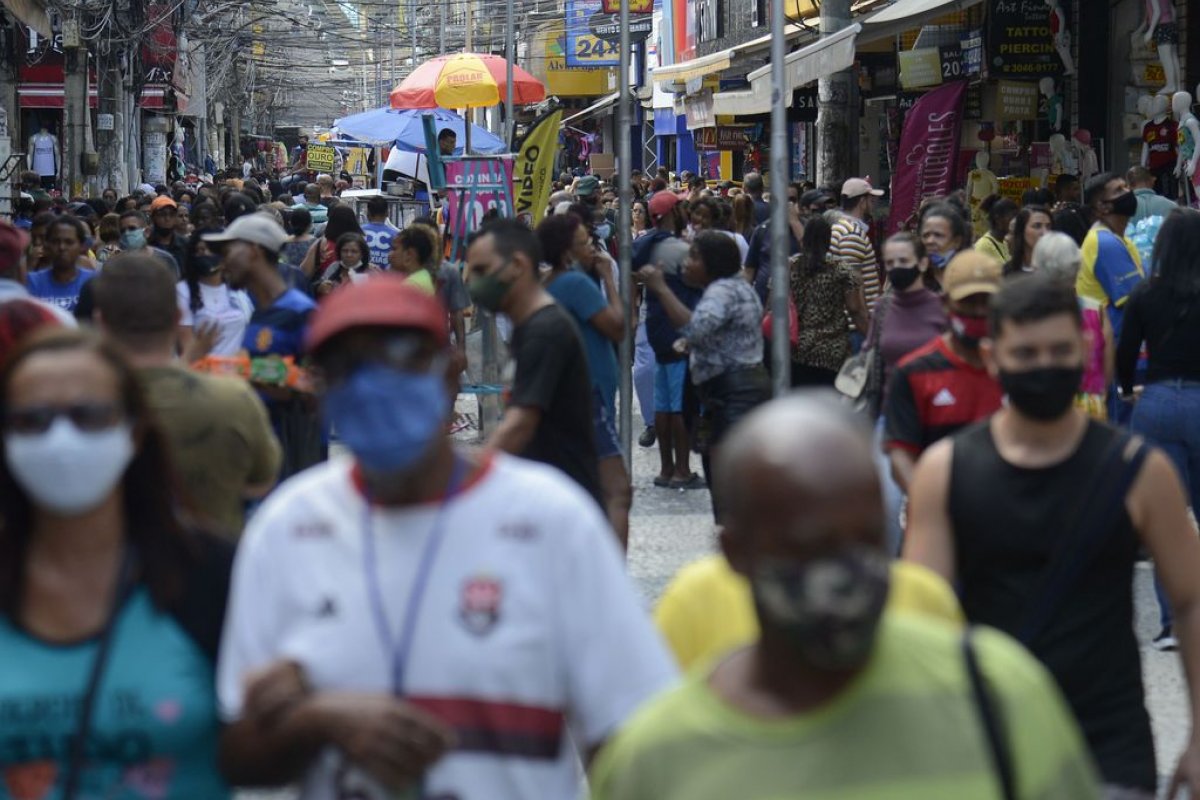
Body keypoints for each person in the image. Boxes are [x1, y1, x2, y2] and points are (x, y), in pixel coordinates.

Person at [217, 275, 676, 797]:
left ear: (450, 369)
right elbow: (238, 752)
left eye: (402, 355)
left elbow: (632, 735)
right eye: (348, 366)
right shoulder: (287, 530)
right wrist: (314, 720)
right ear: (321, 390)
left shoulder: (550, 522)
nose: (376, 382)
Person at [593, 393, 1101, 800]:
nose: (843, 570)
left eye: (867, 540)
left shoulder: (1002, 699)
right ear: (735, 553)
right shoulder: (654, 761)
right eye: (809, 545)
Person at [906, 273, 1200, 798]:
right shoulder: (946, 471)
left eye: (1059, 350)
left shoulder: (1139, 470)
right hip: (984, 740)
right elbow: (922, 620)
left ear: (1086, 351)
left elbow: (1192, 600)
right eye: (1027, 353)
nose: (1044, 365)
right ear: (994, 358)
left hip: (1105, 741)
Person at [0, 328, 235, 798]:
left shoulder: (210, 571)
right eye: (33, 420)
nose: (61, 440)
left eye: (90, 416)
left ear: (135, 430)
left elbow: (259, 748)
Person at [94, 252, 280, 534]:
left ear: (100, 321)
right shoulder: (234, 400)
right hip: (211, 567)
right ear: (177, 316)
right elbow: (261, 483)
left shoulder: (78, 406)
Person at [468, 219, 604, 506]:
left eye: (481, 270)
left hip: (562, 504)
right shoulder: (530, 326)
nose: (473, 281)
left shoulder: (545, 332)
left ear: (517, 265)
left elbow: (520, 423)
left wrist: (464, 482)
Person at [637, 231, 769, 521]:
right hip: (729, 391)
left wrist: (662, 289)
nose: (686, 263)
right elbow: (712, 335)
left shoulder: (724, 291)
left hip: (733, 393)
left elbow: (696, 327)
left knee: (727, 486)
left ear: (713, 263)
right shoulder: (730, 288)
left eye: (694, 257)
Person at [1118, 208, 1200, 650]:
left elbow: (1125, 356)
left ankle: (1173, 624)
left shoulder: (1146, 296)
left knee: (1168, 517)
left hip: (1159, 400)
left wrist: (1127, 391)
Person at [204, 213, 322, 479]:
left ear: (254, 251)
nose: (222, 261)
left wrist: (244, 370)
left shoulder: (300, 312)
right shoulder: (258, 313)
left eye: (228, 251)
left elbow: (318, 383)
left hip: (291, 466)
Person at [538, 213, 631, 547]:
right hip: (589, 393)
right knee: (616, 489)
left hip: (577, 390)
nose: (592, 247)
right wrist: (609, 278)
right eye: (583, 243)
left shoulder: (550, 283)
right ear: (566, 251)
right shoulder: (576, 284)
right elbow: (618, 327)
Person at [884, 252, 1005, 494]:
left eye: (987, 301)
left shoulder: (1016, 368)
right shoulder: (913, 372)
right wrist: (930, 503)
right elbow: (901, 456)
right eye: (969, 302)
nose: (979, 311)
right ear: (946, 303)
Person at [634, 191, 703, 490]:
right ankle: (682, 470)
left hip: (655, 327)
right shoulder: (678, 250)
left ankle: (665, 468)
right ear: (673, 213)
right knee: (680, 406)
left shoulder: (644, 245)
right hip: (678, 330)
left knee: (662, 405)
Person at [1034, 231, 1110, 421]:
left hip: (1041, 405)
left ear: (1037, 267)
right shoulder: (1097, 311)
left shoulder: (1027, 313)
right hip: (1090, 406)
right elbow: (1107, 370)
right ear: (1076, 268)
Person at [787, 215, 869, 387]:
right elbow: (854, 308)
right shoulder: (841, 269)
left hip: (797, 350)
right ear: (829, 239)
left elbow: (774, 305)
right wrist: (871, 336)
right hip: (833, 350)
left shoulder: (790, 266)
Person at [1078, 172, 1145, 338]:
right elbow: (1137, 299)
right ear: (1102, 206)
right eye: (1119, 190)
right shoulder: (1104, 242)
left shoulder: (1122, 240)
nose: (1128, 192)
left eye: (1126, 187)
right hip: (1110, 345)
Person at [176, 228, 254, 359]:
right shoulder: (182, 291)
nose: (206, 254)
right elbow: (185, 346)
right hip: (203, 373)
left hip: (237, 372)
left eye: (212, 250)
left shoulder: (237, 288)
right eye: (200, 250)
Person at [831, 178, 885, 312]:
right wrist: (865, 324)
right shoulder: (851, 234)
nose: (873, 204)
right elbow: (853, 285)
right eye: (870, 200)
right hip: (858, 324)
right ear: (862, 202)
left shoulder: (843, 228)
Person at [26, 216, 96, 314]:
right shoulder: (31, 281)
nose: (62, 247)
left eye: (69, 242)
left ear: (81, 246)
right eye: (55, 242)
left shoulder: (94, 282)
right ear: (47, 244)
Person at [301, 204, 361, 280]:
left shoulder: (321, 244)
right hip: (354, 288)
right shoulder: (360, 244)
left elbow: (304, 272)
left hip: (326, 288)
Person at [918, 203, 968, 281]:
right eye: (926, 235)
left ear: (957, 241)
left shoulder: (970, 279)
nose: (930, 241)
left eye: (938, 235)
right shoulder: (911, 279)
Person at [314, 231, 373, 296]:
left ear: (362, 254)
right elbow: (321, 283)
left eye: (354, 251)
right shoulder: (334, 267)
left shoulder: (370, 272)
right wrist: (319, 287)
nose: (349, 255)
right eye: (345, 251)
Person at [388, 227, 436, 294]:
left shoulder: (411, 286)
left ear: (409, 255)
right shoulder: (423, 276)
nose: (390, 255)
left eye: (394, 249)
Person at [973, 195, 1016, 265]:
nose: (1015, 221)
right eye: (1012, 217)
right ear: (998, 219)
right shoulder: (984, 246)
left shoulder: (1004, 243)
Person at [147, 195, 188, 268]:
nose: (167, 218)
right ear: (153, 218)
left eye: (171, 214)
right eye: (162, 214)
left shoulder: (185, 244)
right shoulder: (146, 244)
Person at [361, 195, 400, 270]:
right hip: (386, 279)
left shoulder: (359, 232)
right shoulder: (396, 235)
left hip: (362, 278)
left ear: (368, 213)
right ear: (387, 213)